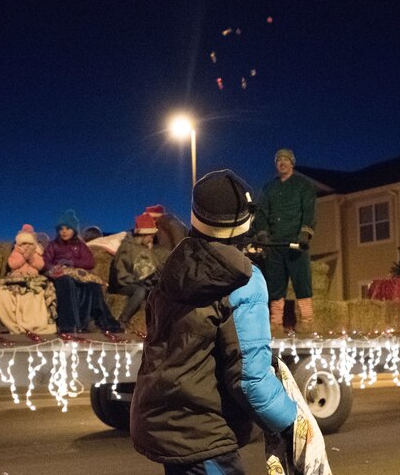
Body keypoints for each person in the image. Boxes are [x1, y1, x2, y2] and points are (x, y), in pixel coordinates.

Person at [130, 169, 299, 474]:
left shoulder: (173, 268)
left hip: (168, 423)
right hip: (204, 432)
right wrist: (293, 421)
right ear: (243, 224)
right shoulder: (243, 280)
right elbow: (250, 379)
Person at [254, 148, 316, 336]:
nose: (282, 163)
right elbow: (261, 212)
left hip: (296, 244)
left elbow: (309, 210)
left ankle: (307, 322)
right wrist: (263, 233)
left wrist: (305, 233)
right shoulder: (268, 188)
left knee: (301, 282)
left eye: (286, 160)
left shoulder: (303, 186)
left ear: (292, 163)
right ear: (276, 164)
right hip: (275, 245)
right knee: (275, 285)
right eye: (279, 160)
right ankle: (276, 324)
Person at [43, 209, 121, 334]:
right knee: (66, 282)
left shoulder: (80, 245)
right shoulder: (53, 245)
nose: (64, 231)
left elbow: (90, 262)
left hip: (77, 273)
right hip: (61, 274)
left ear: (73, 230)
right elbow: (45, 262)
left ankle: (105, 323)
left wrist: (72, 262)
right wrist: (54, 267)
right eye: (61, 229)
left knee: (93, 286)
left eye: (67, 228)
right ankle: (69, 326)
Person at [0, 224, 56, 334]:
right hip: (18, 277)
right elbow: (12, 264)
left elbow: (40, 265)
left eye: (29, 244)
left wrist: (31, 258)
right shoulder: (16, 252)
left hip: (32, 278)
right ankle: (18, 322)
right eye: (24, 244)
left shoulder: (37, 252)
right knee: (5, 294)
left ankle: (33, 323)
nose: (26, 247)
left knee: (34, 295)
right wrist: (23, 256)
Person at [109, 213, 162, 326]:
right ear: (143, 234)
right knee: (140, 291)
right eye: (150, 236)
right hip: (124, 285)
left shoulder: (145, 249)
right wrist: (138, 281)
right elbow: (121, 274)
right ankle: (122, 320)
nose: (151, 239)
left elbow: (153, 268)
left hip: (141, 283)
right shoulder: (126, 248)